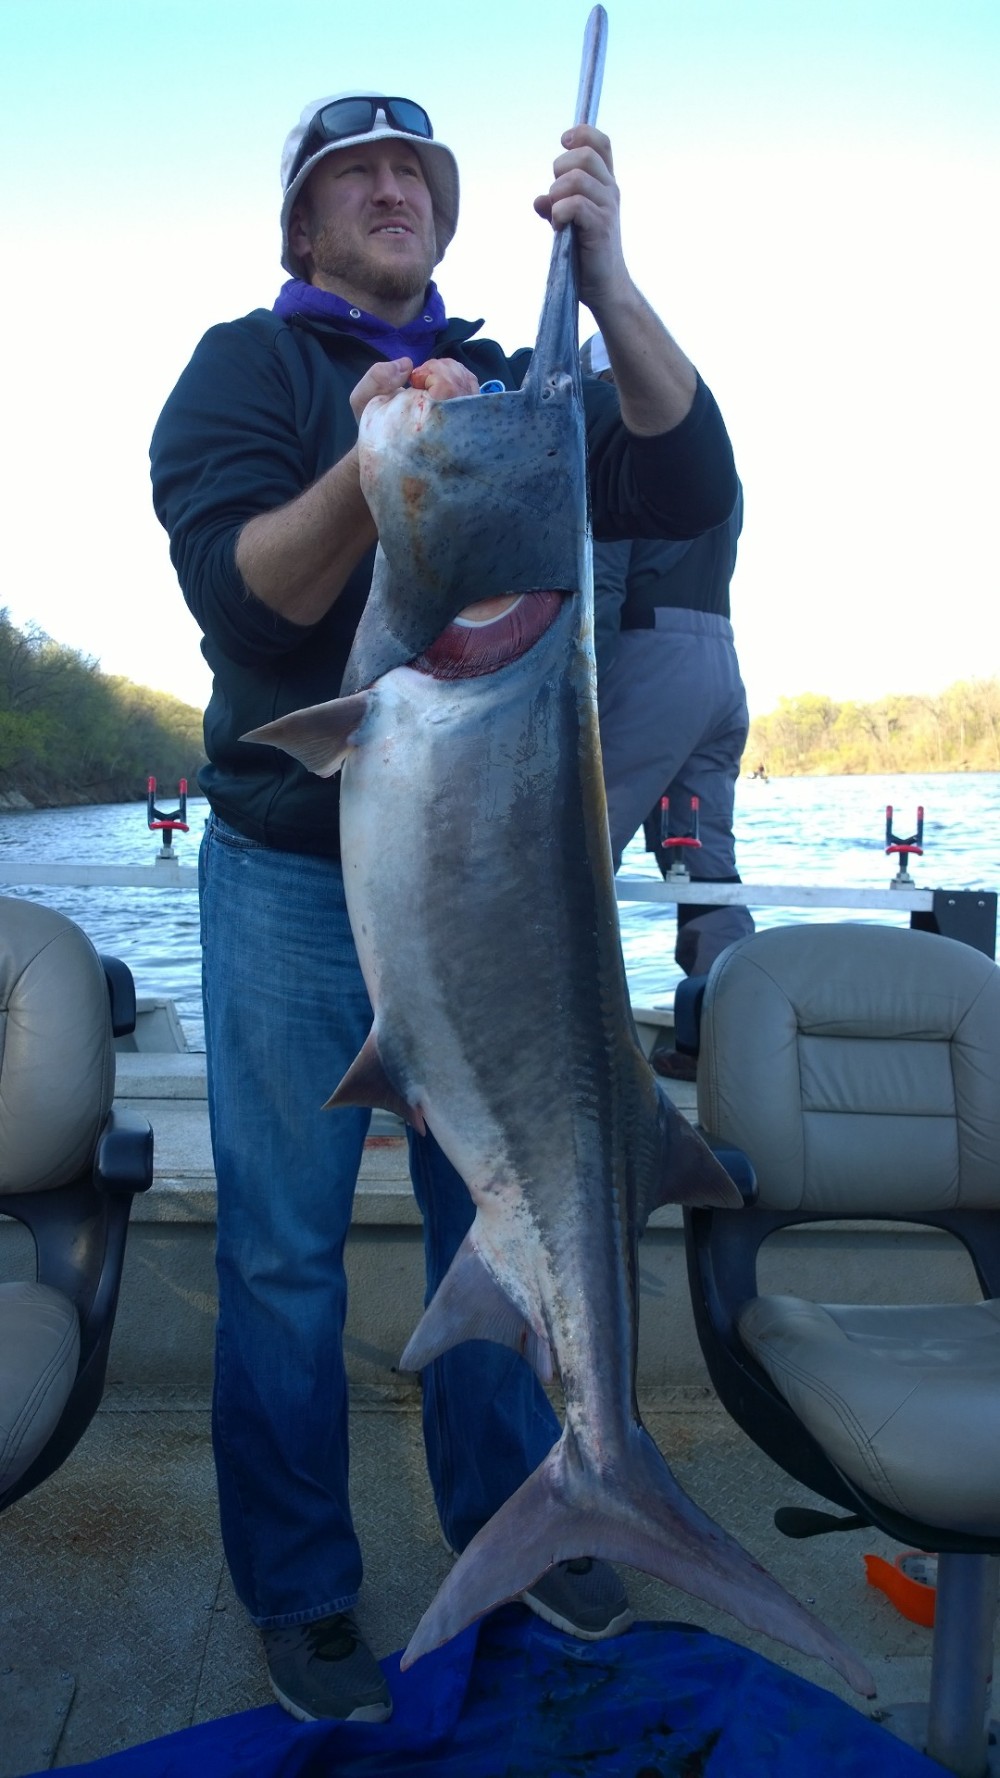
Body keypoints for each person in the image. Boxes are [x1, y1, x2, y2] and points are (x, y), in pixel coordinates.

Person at [150, 93, 738, 1725]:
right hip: (287, 872)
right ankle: (305, 1592)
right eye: (357, 170)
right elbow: (242, 592)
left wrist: (607, 278)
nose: (394, 185)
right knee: (282, 1257)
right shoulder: (242, 372)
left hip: (501, 878)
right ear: (305, 218)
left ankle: (532, 1516)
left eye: (417, 166)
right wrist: (378, 460)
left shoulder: (523, 371)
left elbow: (683, 472)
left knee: (505, 1203)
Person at [581, 333, 754, 1071]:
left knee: (578, 855)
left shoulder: (618, 439)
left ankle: (576, 1041)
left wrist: (581, 693)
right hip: (721, 660)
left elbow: (608, 582)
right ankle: (734, 1031)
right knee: (702, 856)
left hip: (652, 660)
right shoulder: (705, 449)